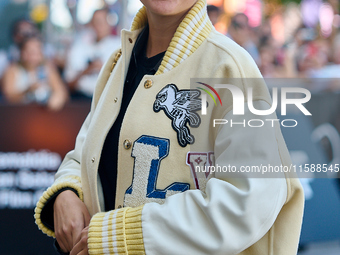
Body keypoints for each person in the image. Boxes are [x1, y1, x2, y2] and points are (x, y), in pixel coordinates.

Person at [34, 0, 304, 254]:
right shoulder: (118, 61)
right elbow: (85, 150)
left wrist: (121, 236)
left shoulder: (229, 67)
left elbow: (249, 201)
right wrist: (67, 192)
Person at [64, 8, 120, 99]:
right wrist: (87, 70)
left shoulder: (119, 46)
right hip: (80, 99)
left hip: (107, 100)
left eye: (102, 21)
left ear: (110, 24)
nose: (99, 26)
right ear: (91, 24)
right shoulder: (79, 46)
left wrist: (104, 69)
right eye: (96, 22)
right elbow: (69, 84)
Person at [2, 36, 68, 111]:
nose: (34, 56)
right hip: (18, 115)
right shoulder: (12, 70)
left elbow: (61, 92)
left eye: (38, 51)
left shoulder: (48, 69)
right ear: (22, 53)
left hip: (43, 117)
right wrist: (28, 90)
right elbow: (9, 97)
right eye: (31, 52)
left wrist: (55, 100)